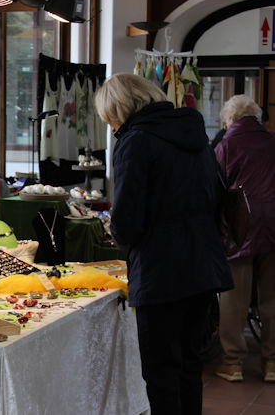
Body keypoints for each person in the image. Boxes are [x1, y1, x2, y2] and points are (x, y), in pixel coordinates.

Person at [94, 73, 233, 415]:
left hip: (161, 271)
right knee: (189, 367)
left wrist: (116, 232)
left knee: (161, 375)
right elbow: (216, 196)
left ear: (119, 110)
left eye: (110, 119)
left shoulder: (135, 140)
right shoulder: (194, 132)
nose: (111, 127)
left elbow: (127, 221)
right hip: (202, 266)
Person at [214, 95, 275, 383]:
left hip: (241, 227)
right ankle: (272, 362)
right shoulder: (273, 140)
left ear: (230, 119)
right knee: (272, 298)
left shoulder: (227, 144)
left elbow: (215, 187)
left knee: (233, 298)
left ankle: (233, 362)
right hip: (274, 225)